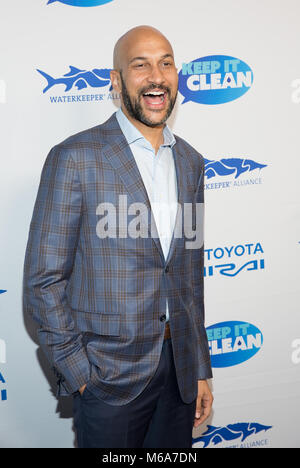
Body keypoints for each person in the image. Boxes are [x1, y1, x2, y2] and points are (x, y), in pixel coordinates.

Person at [23, 25, 213, 449]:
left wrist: (199, 365)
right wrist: (81, 375)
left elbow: (189, 277)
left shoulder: (191, 162)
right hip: (108, 380)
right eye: (140, 65)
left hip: (179, 373)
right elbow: (43, 282)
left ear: (177, 76)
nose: (156, 76)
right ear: (116, 81)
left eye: (165, 63)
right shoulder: (76, 157)